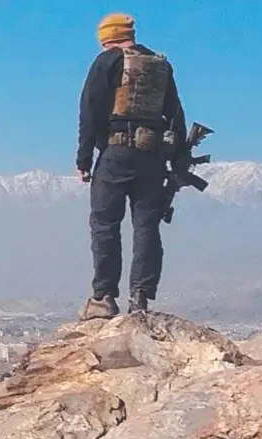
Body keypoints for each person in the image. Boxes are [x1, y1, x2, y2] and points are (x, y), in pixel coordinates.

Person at [76, 13, 187, 320]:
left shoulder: (107, 61)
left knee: (105, 225)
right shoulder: (160, 64)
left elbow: (90, 109)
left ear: (106, 37)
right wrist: (175, 159)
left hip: (116, 152)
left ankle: (104, 297)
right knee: (146, 227)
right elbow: (176, 115)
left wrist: (84, 159)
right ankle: (140, 297)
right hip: (152, 157)